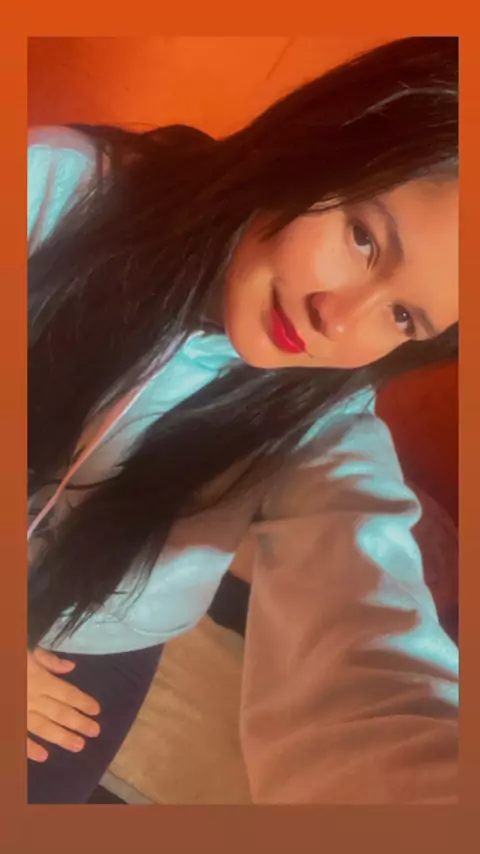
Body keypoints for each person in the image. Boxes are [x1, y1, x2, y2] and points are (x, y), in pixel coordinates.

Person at [27, 36, 459, 804]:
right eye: (364, 238)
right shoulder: (56, 189)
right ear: (317, 145)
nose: (339, 321)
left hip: (96, 644)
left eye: (402, 317)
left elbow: (370, 625)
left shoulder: (328, 425)